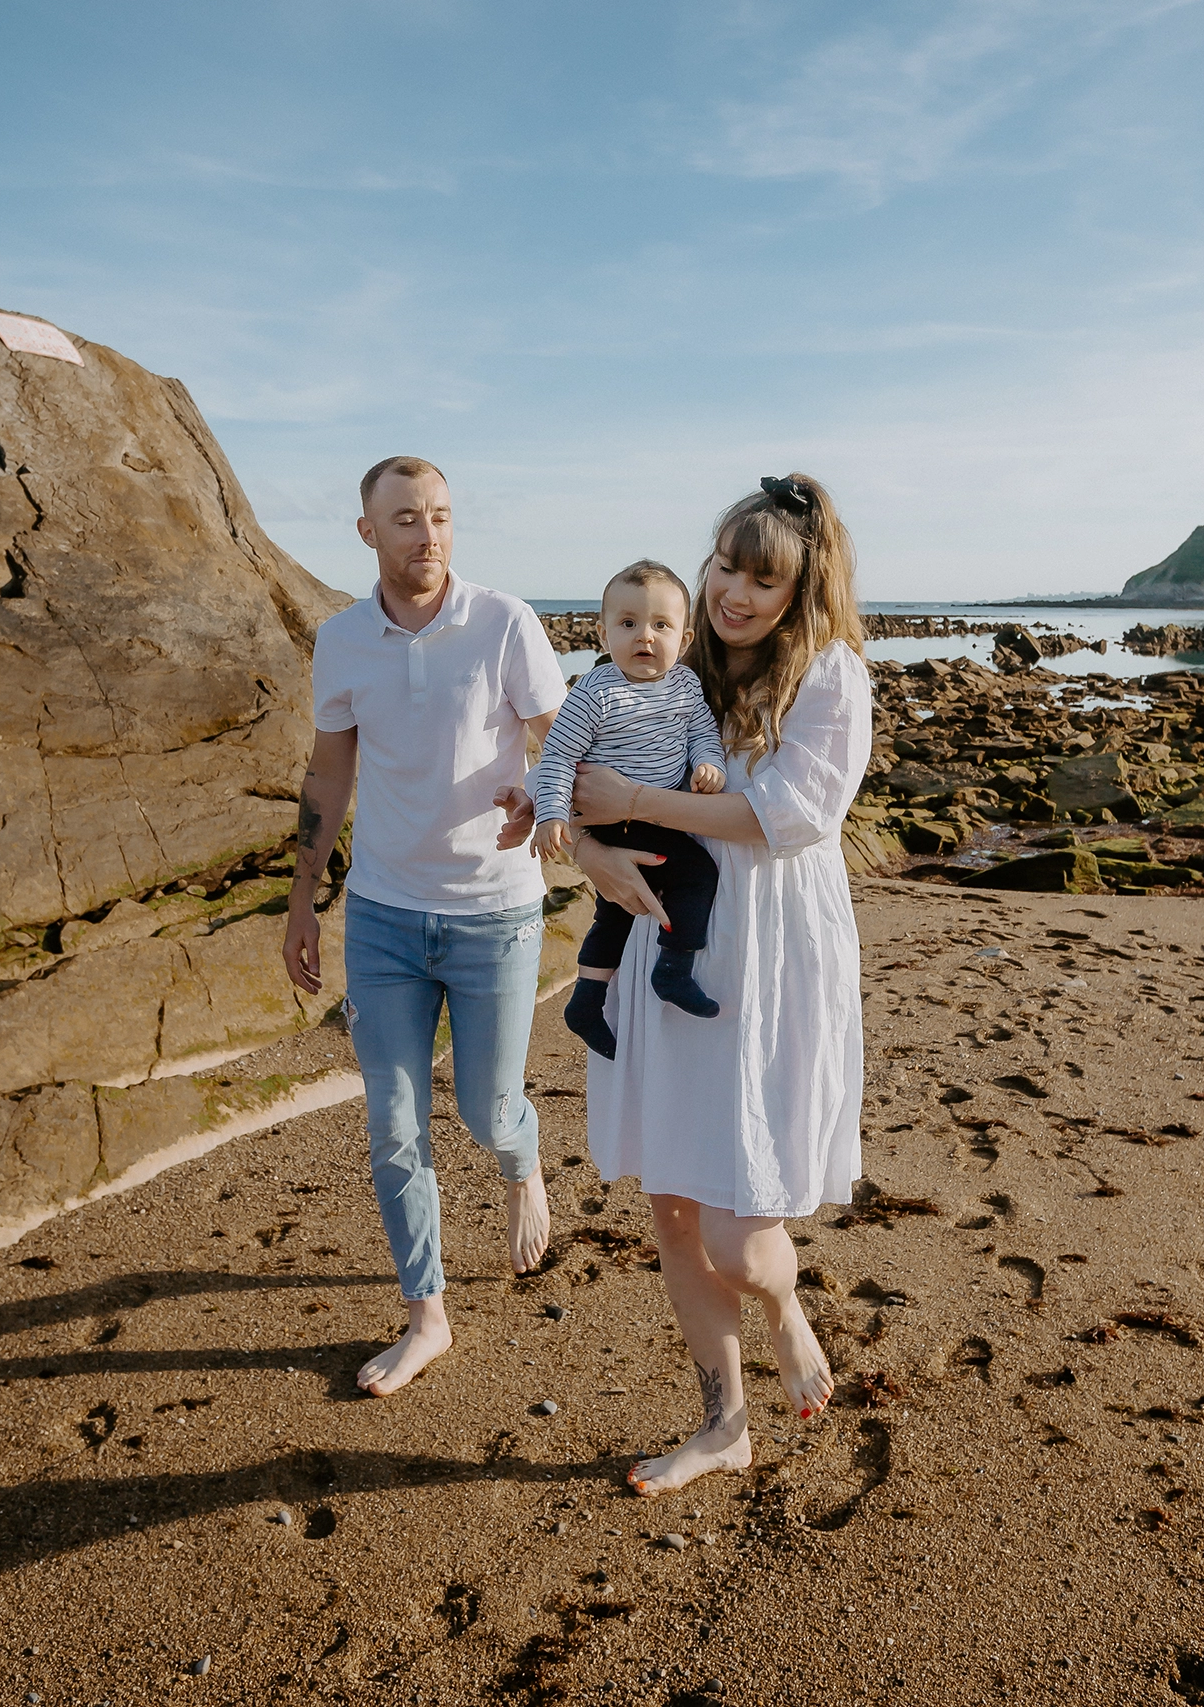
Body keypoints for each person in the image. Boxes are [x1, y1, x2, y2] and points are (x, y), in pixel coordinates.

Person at [498, 472, 870, 1495]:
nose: (735, 593)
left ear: (801, 589)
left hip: (766, 957)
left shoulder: (830, 676)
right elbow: (580, 765)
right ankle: (724, 1424)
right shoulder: (674, 658)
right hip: (667, 940)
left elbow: (788, 816)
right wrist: (588, 847)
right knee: (670, 1205)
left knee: (739, 1224)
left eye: (762, 578)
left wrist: (641, 803)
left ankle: (786, 1310)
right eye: (724, 568)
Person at [283, 456, 567, 1397]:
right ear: (368, 531)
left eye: (441, 516)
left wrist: (543, 795)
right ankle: (426, 1314)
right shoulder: (342, 640)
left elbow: (560, 737)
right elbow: (328, 776)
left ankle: (524, 1167)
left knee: (488, 1112)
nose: (428, 535)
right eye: (406, 519)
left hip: (496, 914)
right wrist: (302, 902)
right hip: (383, 918)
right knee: (393, 1124)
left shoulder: (504, 622)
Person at [530, 560, 726, 1057]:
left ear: (684, 639)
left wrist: (709, 764)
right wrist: (550, 814)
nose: (645, 636)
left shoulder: (685, 685)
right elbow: (558, 757)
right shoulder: (596, 692)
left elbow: (703, 732)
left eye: (661, 625)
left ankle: (586, 1000)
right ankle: (674, 969)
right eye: (628, 624)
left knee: (614, 914)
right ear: (604, 633)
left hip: (659, 815)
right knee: (698, 872)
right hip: (614, 822)